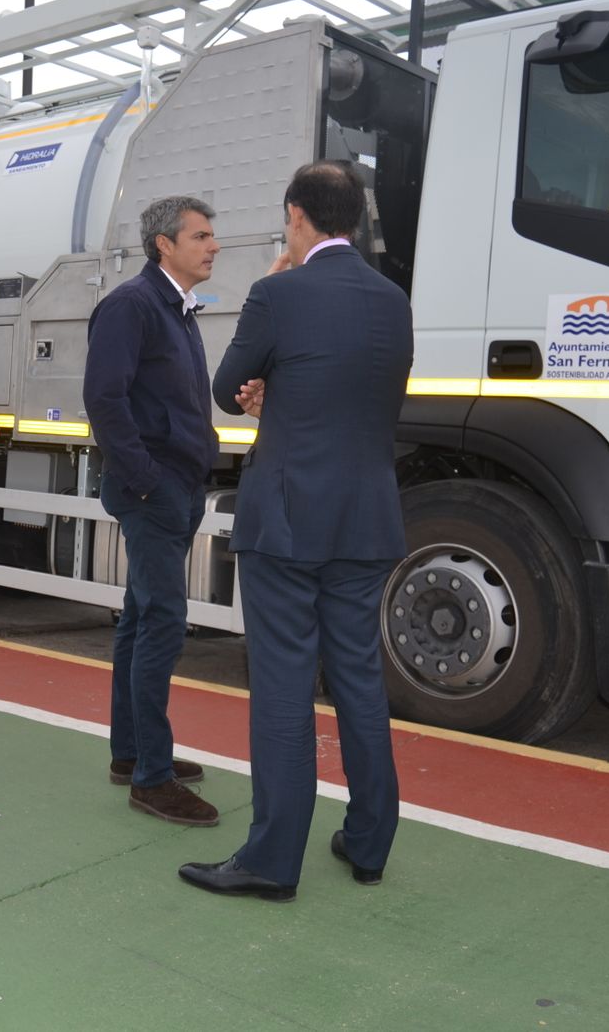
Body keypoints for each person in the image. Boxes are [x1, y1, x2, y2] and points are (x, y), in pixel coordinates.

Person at [181, 161, 412, 903]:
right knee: (359, 680)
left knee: (283, 686)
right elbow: (357, 394)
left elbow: (226, 390)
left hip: (286, 519)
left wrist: (263, 378)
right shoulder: (393, 301)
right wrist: (279, 387)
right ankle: (369, 844)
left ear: (296, 217)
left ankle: (273, 860)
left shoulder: (278, 293)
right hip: (367, 517)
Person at [81, 195, 222, 827]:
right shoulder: (132, 305)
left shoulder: (178, 309)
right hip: (155, 488)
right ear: (164, 245)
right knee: (163, 621)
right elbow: (104, 399)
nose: (213, 246)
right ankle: (152, 779)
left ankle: (131, 753)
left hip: (178, 483)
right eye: (200, 236)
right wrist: (145, 480)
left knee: (141, 618)